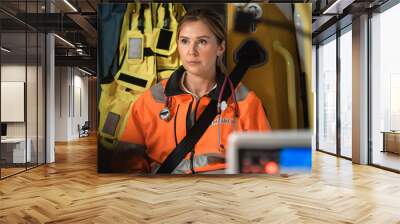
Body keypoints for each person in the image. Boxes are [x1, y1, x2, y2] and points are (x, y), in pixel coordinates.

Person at [119, 8, 271, 174]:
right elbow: (126, 167)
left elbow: (262, 168)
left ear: (220, 47)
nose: (191, 51)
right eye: (185, 41)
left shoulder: (245, 102)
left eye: (202, 42)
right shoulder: (149, 101)